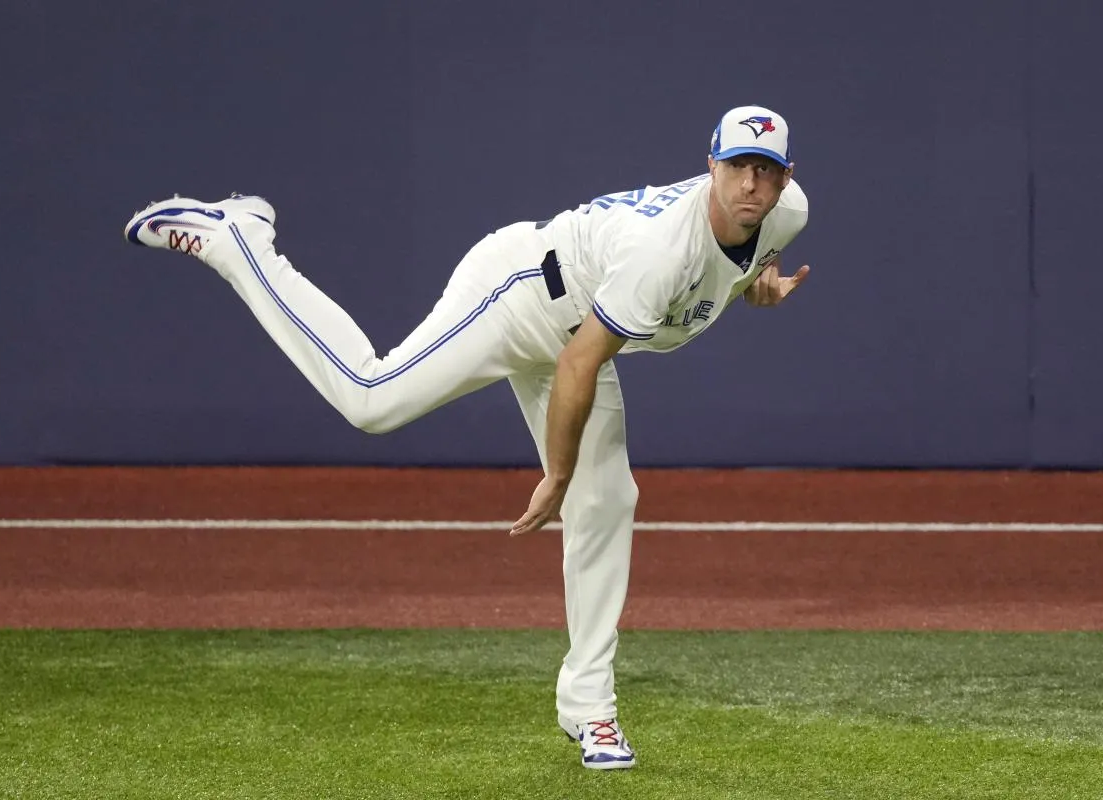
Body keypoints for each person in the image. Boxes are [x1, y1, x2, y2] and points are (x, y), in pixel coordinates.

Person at [123, 104, 810, 770]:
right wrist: (558, 474)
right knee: (371, 400)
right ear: (710, 167)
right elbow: (579, 361)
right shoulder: (662, 250)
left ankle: (590, 707)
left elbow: (728, 268)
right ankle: (239, 241)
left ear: (785, 177)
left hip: (577, 328)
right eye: (737, 166)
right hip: (516, 295)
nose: (751, 183)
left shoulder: (787, 213)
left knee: (609, 504)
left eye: (765, 170)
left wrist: (756, 285)